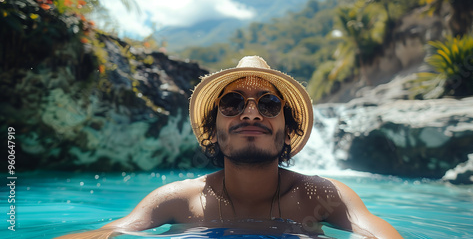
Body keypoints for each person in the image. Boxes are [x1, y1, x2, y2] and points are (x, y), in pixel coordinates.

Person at [57, 56, 403, 238]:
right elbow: (107, 233)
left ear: (287, 129)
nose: (250, 113)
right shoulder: (177, 200)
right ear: (214, 128)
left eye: (268, 104)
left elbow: (376, 231)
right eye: (233, 103)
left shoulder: (320, 196)